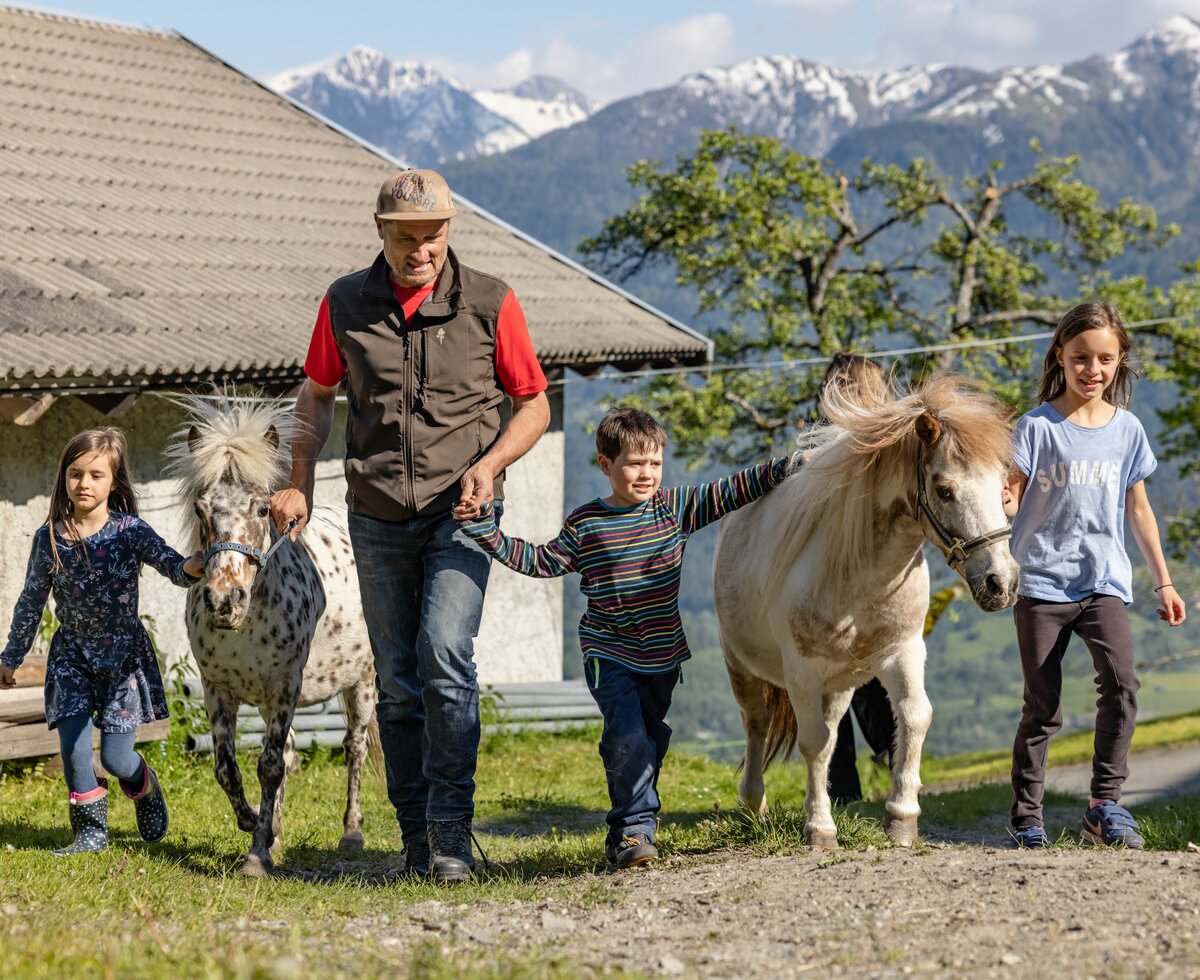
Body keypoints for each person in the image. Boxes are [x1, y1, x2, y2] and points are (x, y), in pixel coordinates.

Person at [269, 169, 550, 883]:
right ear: (381, 232)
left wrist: (489, 467)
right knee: (396, 681)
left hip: (464, 514)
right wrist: (298, 480)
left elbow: (534, 406)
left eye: (433, 236)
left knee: (444, 655)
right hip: (378, 514)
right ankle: (416, 838)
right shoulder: (344, 304)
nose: (420, 250)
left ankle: (453, 834)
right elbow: (317, 396)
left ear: (449, 231)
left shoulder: (491, 303)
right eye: (406, 238)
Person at [453, 407, 800, 870]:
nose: (646, 473)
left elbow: (731, 490)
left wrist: (784, 468)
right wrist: (486, 533)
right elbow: (540, 560)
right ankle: (637, 832)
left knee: (650, 740)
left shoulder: (674, 510)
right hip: (607, 652)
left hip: (661, 658)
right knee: (629, 736)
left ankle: (624, 831)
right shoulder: (587, 524)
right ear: (605, 464)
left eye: (655, 463)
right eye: (635, 463)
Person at [1003, 302, 1186, 849]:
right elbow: (1008, 495)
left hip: (1103, 580)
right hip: (1038, 582)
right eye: (1081, 357)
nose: (1092, 369)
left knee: (1123, 686)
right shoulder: (1035, 428)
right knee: (1044, 706)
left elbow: (1140, 511)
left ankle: (1104, 806)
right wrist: (1004, 500)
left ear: (1120, 361)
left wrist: (1165, 581)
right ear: (1060, 355)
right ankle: (1028, 817)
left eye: (1105, 358)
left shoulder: (1127, 430)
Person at [0, 428, 205, 854]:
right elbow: (30, 603)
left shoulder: (130, 531)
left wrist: (194, 567)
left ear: (114, 481)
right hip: (71, 656)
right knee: (74, 748)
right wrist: (11, 657)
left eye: (96, 475)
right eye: (76, 474)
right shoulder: (50, 538)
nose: (84, 484)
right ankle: (91, 833)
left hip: (122, 660)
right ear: (64, 478)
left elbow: (171, 564)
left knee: (115, 759)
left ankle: (145, 788)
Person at [819, 353, 899, 805]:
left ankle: (865, 784)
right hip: (839, 594)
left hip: (862, 592)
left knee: (866, 685)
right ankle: (847, 792)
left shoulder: (884, 452)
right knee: (842, 691)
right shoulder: (826, 451)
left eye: (853, 386)